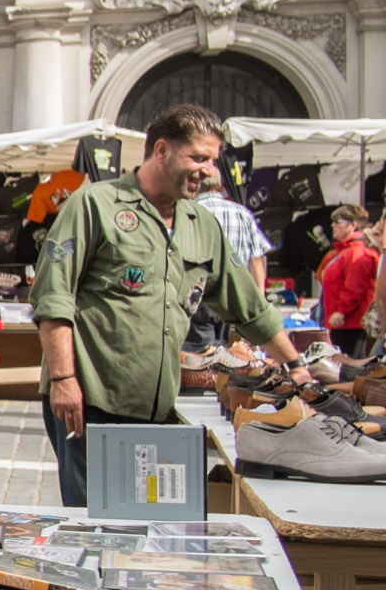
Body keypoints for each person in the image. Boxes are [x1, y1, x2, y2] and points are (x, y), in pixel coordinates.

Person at [31, 104, 308, 507]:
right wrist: (63, 380)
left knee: (149, 524)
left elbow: (248, 307)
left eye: (212, 160)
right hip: (90, 401)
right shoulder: (95, 205)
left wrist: (296, 366)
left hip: (157, 411)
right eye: (198, 157)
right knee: (93, 527)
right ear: (161, 150)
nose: (208, 170)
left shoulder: (202, 225)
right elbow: (53, 298)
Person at [186, 174, 273, 356]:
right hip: (232, 295)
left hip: (198, 295)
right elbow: (256, 260)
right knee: (224, 354)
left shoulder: (189, 211)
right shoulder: (243, 213)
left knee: (198, 356)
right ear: (220, 185)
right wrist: (258, 299)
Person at [322, 204, 378, 357]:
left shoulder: (356, 253)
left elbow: (355, 287)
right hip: (343, 322)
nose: (333, 225)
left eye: (337, 221)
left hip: (351, 323)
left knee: (350, 366)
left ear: (353, 225)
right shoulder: (344, 252)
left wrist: (341, 311)